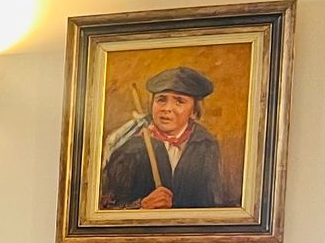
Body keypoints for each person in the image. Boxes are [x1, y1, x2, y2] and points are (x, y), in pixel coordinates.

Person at [99, 66, 234, 210]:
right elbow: (105, 206)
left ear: (194, 111)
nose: (166, 108)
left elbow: (214, 203)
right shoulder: (130, 151)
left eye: (179, 101)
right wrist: (141, 206)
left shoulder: (206, 145)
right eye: (161, 100)